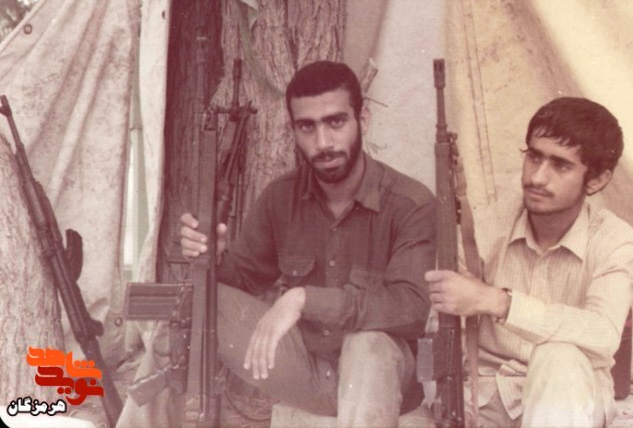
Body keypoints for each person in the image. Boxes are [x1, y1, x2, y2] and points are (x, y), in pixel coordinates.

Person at [118, 61, 435, 427]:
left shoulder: (410, 203)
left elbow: (411, 309)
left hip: (379, 378)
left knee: (368, 343)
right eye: (307, 126)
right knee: (194, 306)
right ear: (293, 130)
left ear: (362, 120)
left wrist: (304, 299)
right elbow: (241, 281)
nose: (323, 142)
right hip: (306, 369)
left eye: (336, 122)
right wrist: (212, 259)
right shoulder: (281, 198)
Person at [425, 97, 633, 428]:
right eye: (534, 157)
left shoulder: (615, 240)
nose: (538, 178)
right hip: (484, 398)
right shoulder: (484, 225)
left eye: (561, 166)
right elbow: (441, 329)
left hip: (569, 400)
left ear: (597, 180)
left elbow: (603, 334)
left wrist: (499, 302)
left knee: (558, 356)